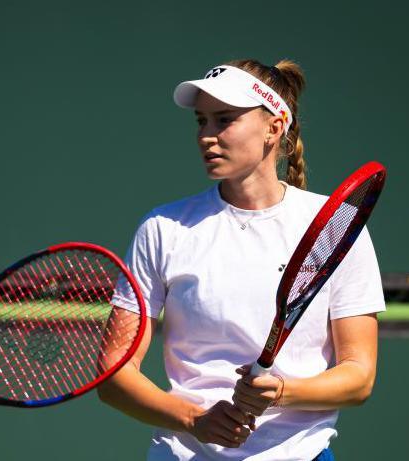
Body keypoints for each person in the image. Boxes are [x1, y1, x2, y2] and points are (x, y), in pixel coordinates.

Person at [98, 60, 383, 460]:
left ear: (274, 127)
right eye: (201, 121)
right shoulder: (162, 228)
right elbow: (114, 374)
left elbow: (359, 377)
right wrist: (193, 419)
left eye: (224, 120)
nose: (206, 136)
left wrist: (282, 392)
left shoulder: (337, 228)